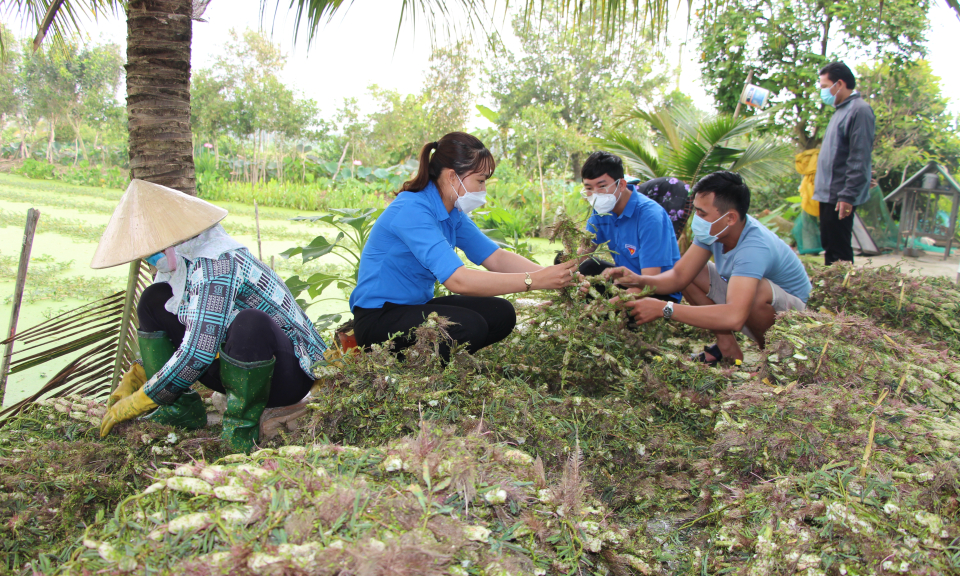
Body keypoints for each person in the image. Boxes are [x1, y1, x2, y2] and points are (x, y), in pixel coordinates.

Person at [94, 179, 327, 453]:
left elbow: (198, 351)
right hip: (233, 371)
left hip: (286, 374)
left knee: (250, 323)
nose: (149, 258)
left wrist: (140, 400)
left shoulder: (218, 261)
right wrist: (139, 372)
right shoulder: (179, 263)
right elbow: (185, 326)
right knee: (154, 300)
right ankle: (179, 409)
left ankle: (241, 432)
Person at [349, 132, 578, 359]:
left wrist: (555, 277)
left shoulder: (452, 213)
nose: (483, 190)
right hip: (378, 321)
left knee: (501, 313)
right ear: (451, 177)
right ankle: (411, 367)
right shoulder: (413, 209)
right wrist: (535, 281)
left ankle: (435, 365)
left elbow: (495, 257)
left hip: (414, 308)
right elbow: (458, 280)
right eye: (480, 180)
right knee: (469, 326)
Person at [601, 171, 811, 364]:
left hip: (794, 321)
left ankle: (774, 359)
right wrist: (639, 279)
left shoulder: (753, 248)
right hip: (747, 302)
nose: (696, 220)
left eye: (702, 214)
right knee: (691, 271)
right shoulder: (715, 229)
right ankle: (727, 347)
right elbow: (679, 276)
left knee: (756, 292)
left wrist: (664, 309)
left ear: (730, 217)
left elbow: (734, 317)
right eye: (696, 212)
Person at [576, 152, 683, 303]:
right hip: (625, 283)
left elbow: (649, 284)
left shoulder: (650, 216)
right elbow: (582, 254)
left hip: (655, 293)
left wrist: (602, 307)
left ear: (621, 185)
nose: (595, 194)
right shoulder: (601, 210)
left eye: (602, 187)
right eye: (589, 188)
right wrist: (563, 293)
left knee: (614, 309)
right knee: (585, 267)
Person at [814, 61, 876, 265]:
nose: (822, 92)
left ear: (839, 84)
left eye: (824, 87)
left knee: (839, 251)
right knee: (829, 246)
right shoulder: (840, 110)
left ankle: (842, 291)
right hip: (828, 193)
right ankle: (831, 289)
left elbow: (859, 156)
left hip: (840, 194)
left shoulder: (859, 111)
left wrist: (848, 195)